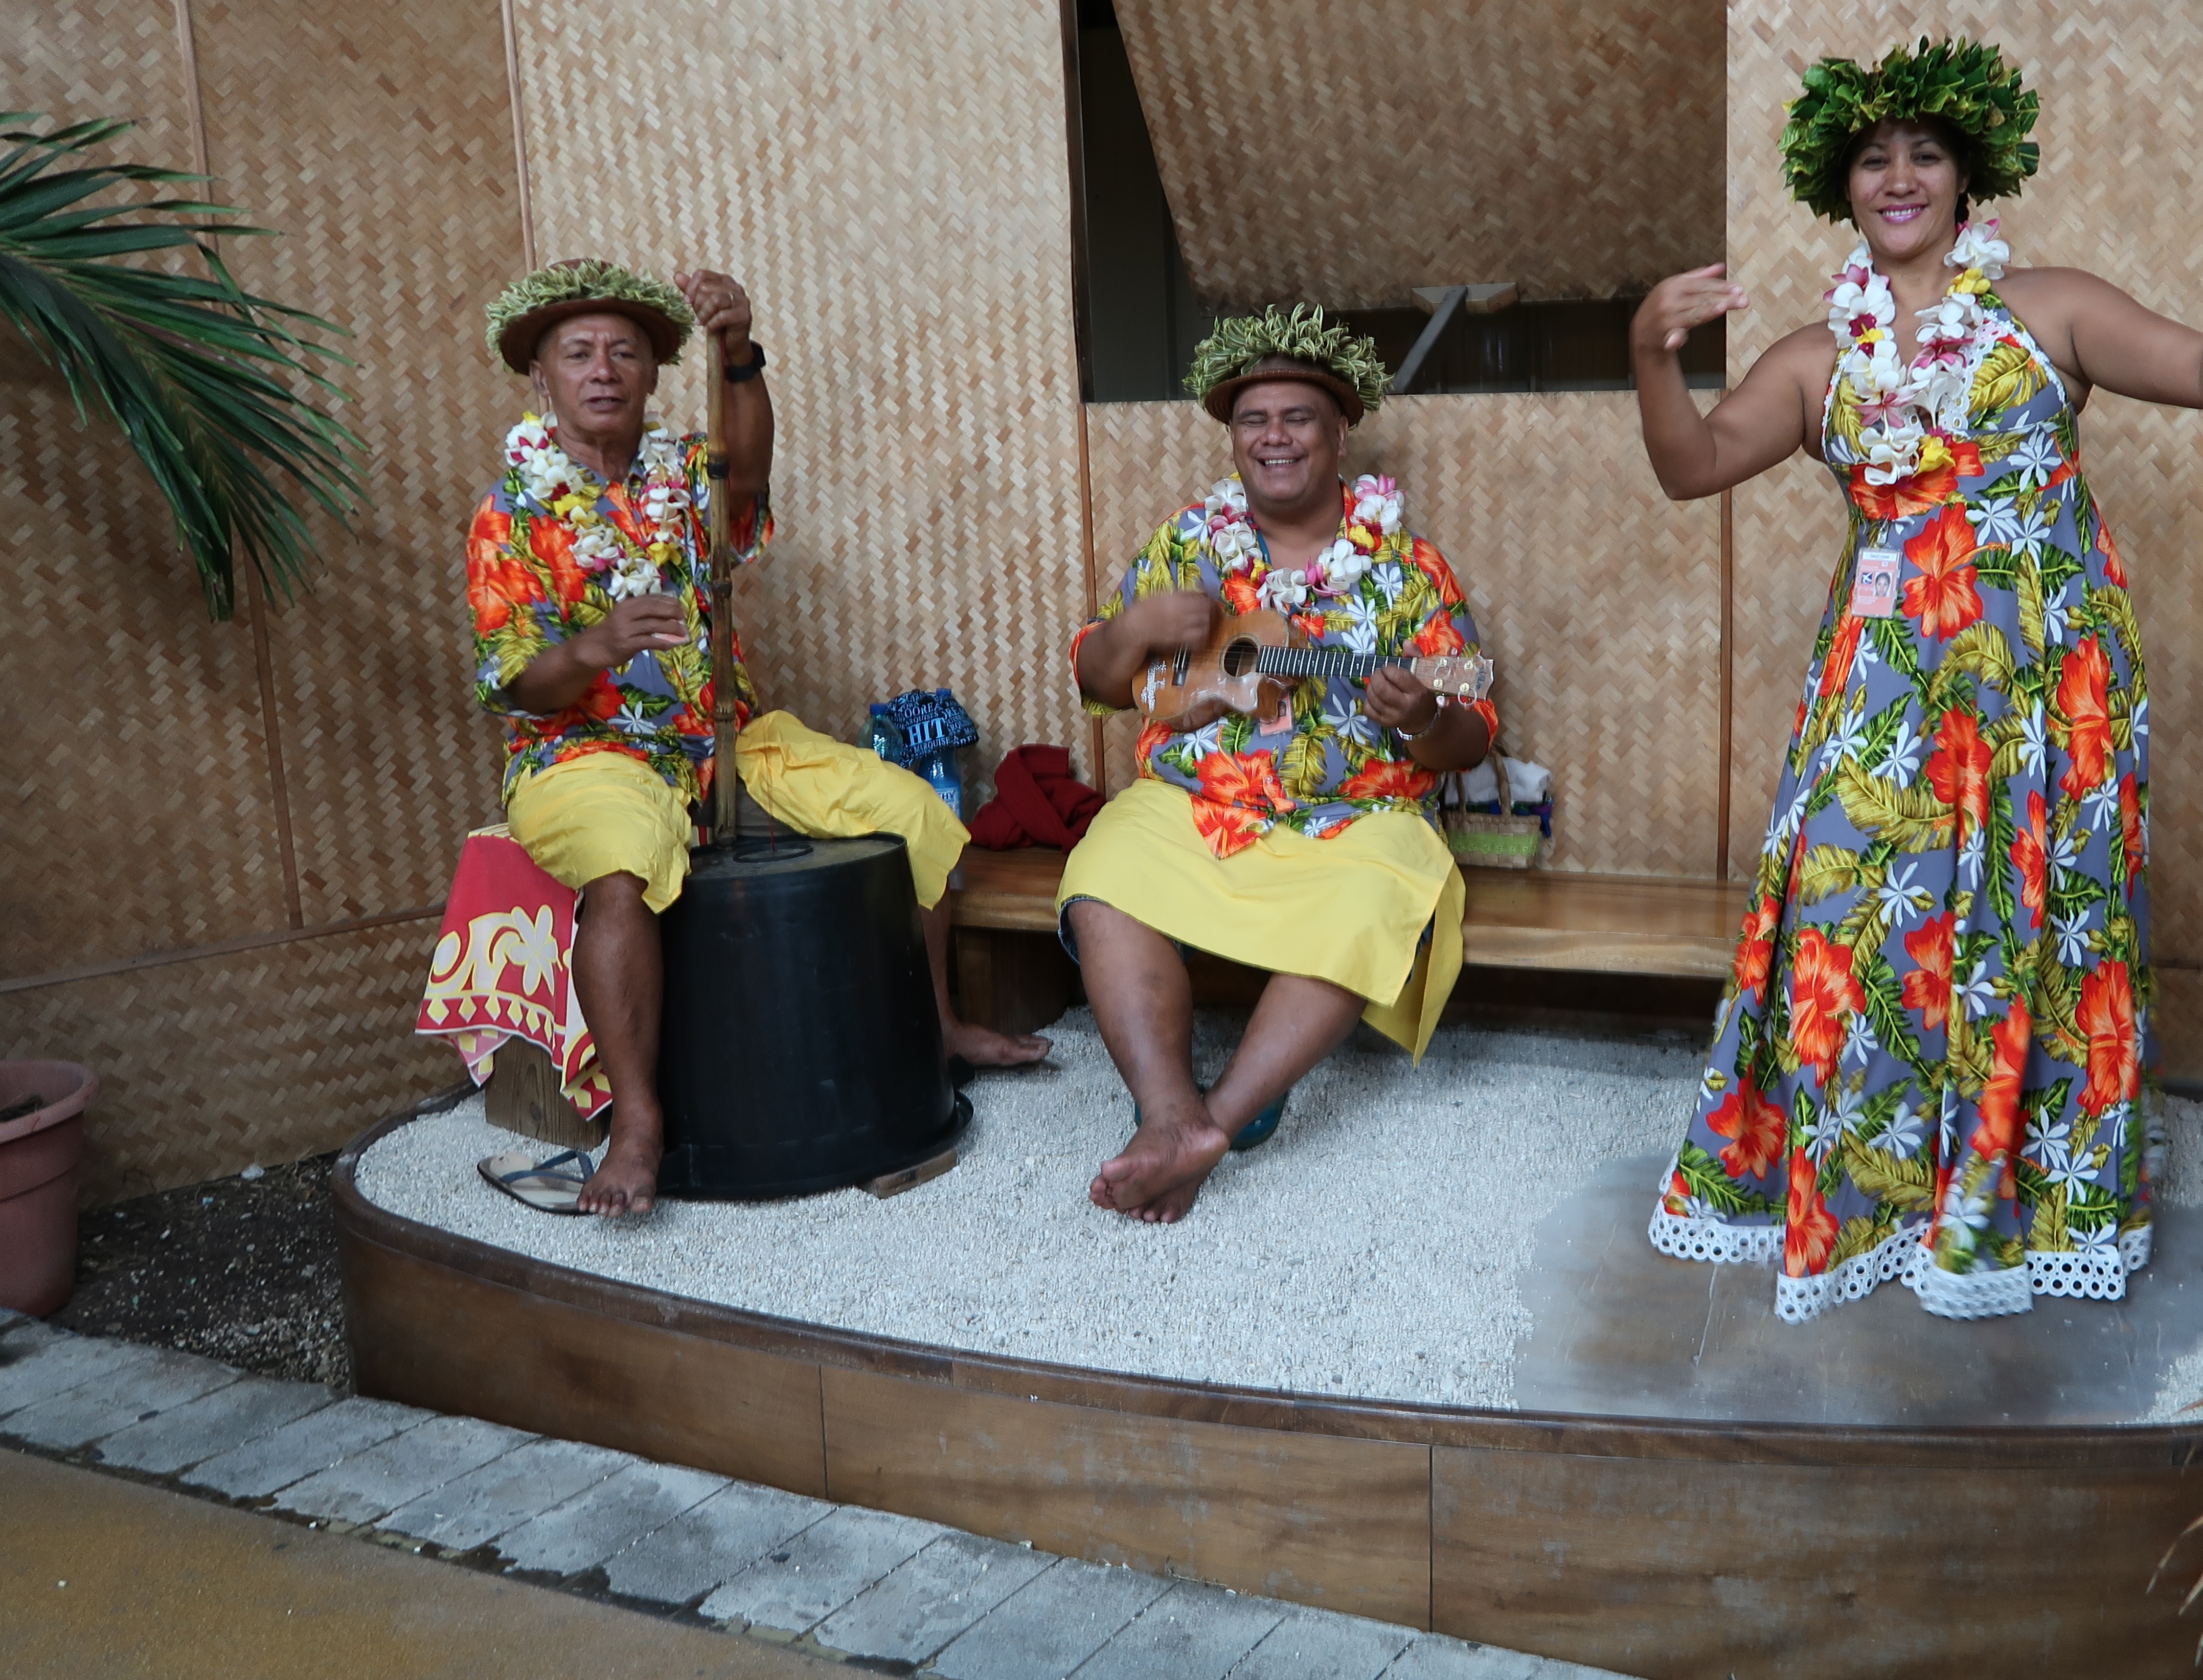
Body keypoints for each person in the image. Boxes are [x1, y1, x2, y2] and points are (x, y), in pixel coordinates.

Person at [1634, 41, 2203, 1320]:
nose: (1900, 175)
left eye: (1925, 154)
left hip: (2047, 684)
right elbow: (1693, 465)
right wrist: (1651, 353)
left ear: (1968, 177)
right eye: (1874, 158)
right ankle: (1863, 1200)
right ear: (1843, 188)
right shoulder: (1816, 358)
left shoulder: (2049, 308)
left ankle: (2011, 1202)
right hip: (1884, 694)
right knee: (1857, 922)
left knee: (2036, 928)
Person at [466, 259, 1049, 1216]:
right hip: (585, 753)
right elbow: (516, 683)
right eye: (579, 354)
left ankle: (938, 1025)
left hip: (727, 739)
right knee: (622, 865)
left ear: (655, 377)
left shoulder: (684, 474)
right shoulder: (512, 512)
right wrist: (596, 647)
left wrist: (738, 353)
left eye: (626, 353)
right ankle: (641, 1122)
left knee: (911, 809)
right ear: (542, 377)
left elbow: (752, 472)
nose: (604, 369)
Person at [1061, 307, 1497, 1223]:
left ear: (1340, 431)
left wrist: (1423, 717)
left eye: (1298, 417)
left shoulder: (1410, 571)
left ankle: (1213, 1122)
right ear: (1233, 437)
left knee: (1385, 891)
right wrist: (1134, 628)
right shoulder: (1188, 542)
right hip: (1200, 805)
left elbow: (1474, 730)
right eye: (1254, 421)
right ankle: (1169, 1111)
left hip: (1351, 822)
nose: (1274, 438)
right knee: (1104, 869)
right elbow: (1100, 685)